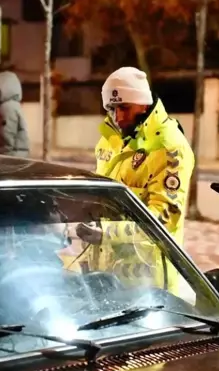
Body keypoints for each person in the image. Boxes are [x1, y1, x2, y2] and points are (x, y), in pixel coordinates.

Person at [74, 67, 195, 295]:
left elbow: (164, 220)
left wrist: (107, 234)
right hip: (105, 278)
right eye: (111, 108)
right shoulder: (109, 140)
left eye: (124, 108)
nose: (118, 117)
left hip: (149, 285)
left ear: (144, 104)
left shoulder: (170, 147)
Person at [0, 71, 30, 157]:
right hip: (15, 158)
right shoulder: (12, 106)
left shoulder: (6, 109)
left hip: (9, 160)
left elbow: (5, 138)